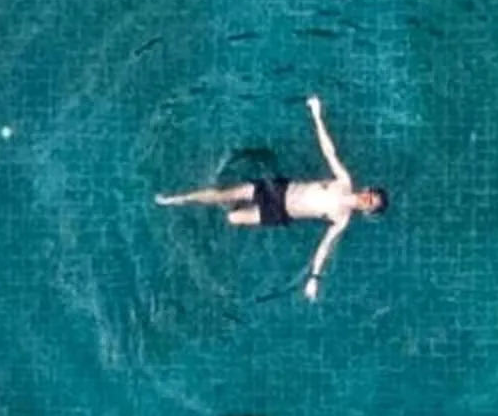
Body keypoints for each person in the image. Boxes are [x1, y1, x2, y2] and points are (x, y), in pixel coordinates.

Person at [158, 95, 388, 301]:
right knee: (222, 194)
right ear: (366, 189)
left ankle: (227, 204)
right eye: (370, 195)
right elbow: (329, 151)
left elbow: (325, 246)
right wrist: (317, 115)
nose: (366, 200)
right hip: (278, 190)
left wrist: (314, 278)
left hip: (280, 213)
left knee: (232, 218)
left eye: (370, 204)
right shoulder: (343, 182)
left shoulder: (342, 218)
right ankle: (177, 199)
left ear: (367, 211)